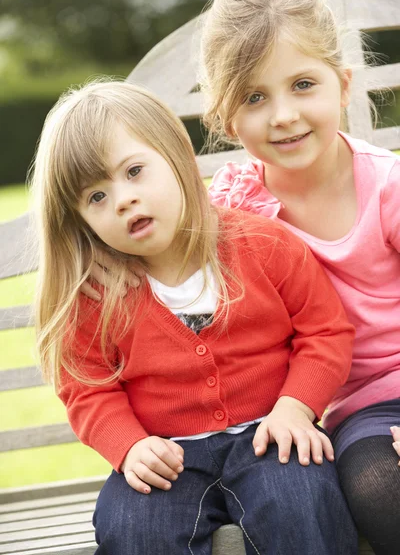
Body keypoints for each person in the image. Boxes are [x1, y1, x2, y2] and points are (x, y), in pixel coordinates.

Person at [31, 80, 357, 555]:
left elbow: (324, 332)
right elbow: (87, 388)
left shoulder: (263, 246)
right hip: (165, 454)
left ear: (177, 156)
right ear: (81, 221)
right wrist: (129, 447)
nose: (123, 200)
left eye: (135, 171)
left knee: (303, 502)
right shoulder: (96, 296)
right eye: (96, 198)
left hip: (270, 432)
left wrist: (296, 407)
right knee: (135, 530)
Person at [197, 0, 400, 555]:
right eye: (255, 97)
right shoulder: (236, 212)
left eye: (303, 84)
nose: (282, 114)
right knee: (377, 490)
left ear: (343, 84)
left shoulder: (385, 187)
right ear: (225, 118)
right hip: (353, 411)